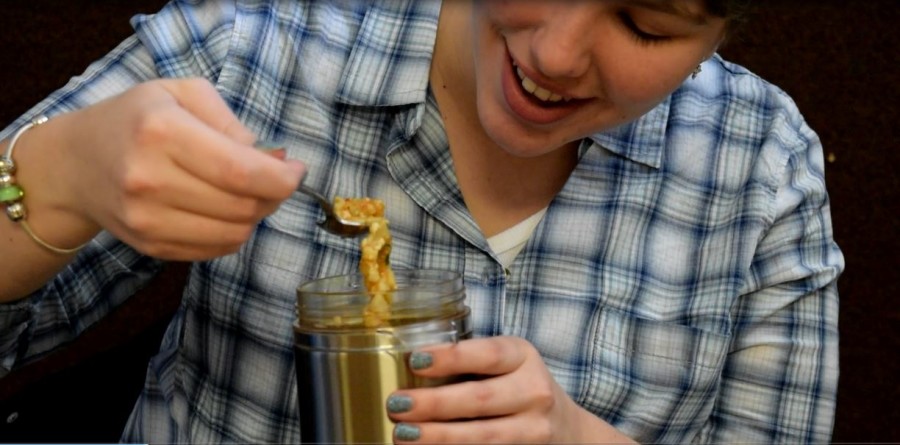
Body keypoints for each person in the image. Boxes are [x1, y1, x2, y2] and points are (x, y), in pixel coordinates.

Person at [0, 0, 844, 443]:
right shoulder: (254, 48)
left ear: (719, 29)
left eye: (642, 23)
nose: (554, 53)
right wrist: (58, 176)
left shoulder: (757, 166)